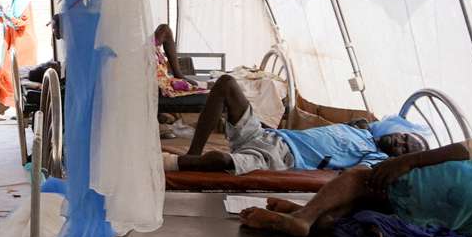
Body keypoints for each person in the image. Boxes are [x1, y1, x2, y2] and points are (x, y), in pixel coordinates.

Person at [240, 80, 472, 237]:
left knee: (360, 176)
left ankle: (304, 217)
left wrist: (409, 161)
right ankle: (318, 217)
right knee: (378, 198)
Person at [162, 74, 427, 174]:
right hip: (270, 135)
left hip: (280, 157)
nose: (399, 141)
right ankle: (192, 155)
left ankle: (168, 165)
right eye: (404, 137)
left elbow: (354, 175)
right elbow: (360, 123)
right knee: (226, 84)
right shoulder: (363, 130)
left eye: (405, 149)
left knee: (221, 160)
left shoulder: (373, 157)